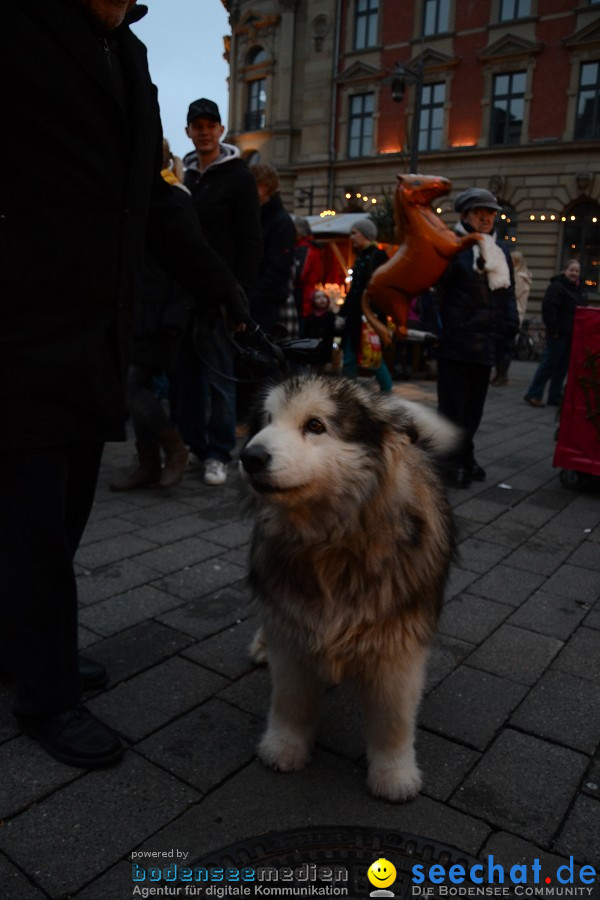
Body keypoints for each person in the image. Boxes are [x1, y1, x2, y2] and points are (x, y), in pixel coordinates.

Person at [0, 0, 249, 769]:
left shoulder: (132, 54)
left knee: (64, 514)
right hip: (19, 326)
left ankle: (29, 649)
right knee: (35, 523)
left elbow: (157, 198)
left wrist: (222, 289)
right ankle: (45, 694)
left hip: (95, 333)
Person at [176, 98, 261, 486]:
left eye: (211, 124)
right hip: (186, 295)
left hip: (222, 294)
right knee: (187, 378)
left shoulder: (238, 176)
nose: (205, 131)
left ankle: (219, 452)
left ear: (221, 130)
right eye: (198, 125)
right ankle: (195, 445)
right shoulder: (185, 178)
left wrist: (240, 300)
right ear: (188, 131)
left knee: (220, 378)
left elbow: (250, 242)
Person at [435, 188, 519, 487]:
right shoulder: (453, 246)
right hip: (456, 344)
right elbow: (436, 294)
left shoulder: (500, 250)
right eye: (479, 212)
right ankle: (449, 463)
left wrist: (511, 324)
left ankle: (465, 456)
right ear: (465, 216)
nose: (486, 217)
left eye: (491, 212)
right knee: (451, 410)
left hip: (485, 344)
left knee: (473, 411)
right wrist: (443, 331)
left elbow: (506, 293)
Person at [524, 259, 588, 408]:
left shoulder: (580, 290)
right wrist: (553, 330)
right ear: (565, 271)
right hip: (558, 333)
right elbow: (549, 309)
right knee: (549, 365)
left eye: (577, 271)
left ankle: (555, 396)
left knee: (562, 368)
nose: (574, 273)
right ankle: (534, 393)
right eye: (572, 270)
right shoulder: (557, 287)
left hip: (571, 335)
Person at [341, 218, 393, 393]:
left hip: (369, 318)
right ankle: (348, 394)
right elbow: (354, 290)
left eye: (355, 233)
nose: (352, 237)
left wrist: (376, 315)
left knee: (373, 357)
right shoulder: (361, 256)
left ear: (365, 234)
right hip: (355, 317)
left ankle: (386, 391)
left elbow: (380, 289)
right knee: (351, 356)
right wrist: (343, 313)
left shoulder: (378, 257)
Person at [249, 162, 297, 338]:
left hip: (271, 312)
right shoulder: (259, 218)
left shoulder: (280, 223)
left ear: (265, 187)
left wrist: (252, 300)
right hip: (259, 306)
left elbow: (277, 272)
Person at [491, 249, 533, 386]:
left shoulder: (519, 277)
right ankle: (500, 374)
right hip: (511, 313)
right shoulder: (519, 275)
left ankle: (501, 375)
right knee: (503, 346)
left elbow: (511, 295)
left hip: (512, 314)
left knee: (504, 346)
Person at [292, 217, 324, 328]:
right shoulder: (311, 247)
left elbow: (299, 275)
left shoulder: (304, 249)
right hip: (306, 300)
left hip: (301, 301)